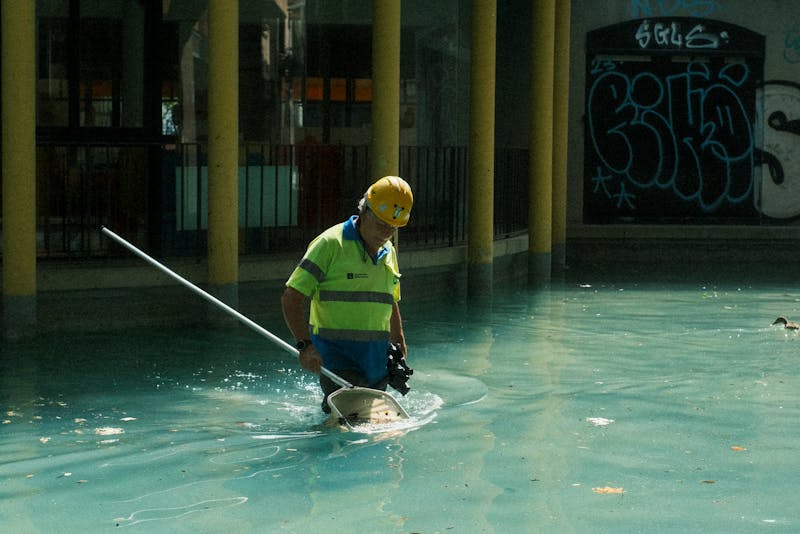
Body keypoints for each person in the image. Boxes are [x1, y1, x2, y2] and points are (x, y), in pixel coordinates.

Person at [281, 176, 413, 413]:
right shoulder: (330, 244)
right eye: (382, 224)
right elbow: (291, 297)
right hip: (338, 359)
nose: (386, 233)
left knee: (370, 427)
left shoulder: (388, 250)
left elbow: (388, 298)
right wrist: (305, 346)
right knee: (344, 420)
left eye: (393, 228)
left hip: (377, 360)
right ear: (364, 211)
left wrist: (398, 339)